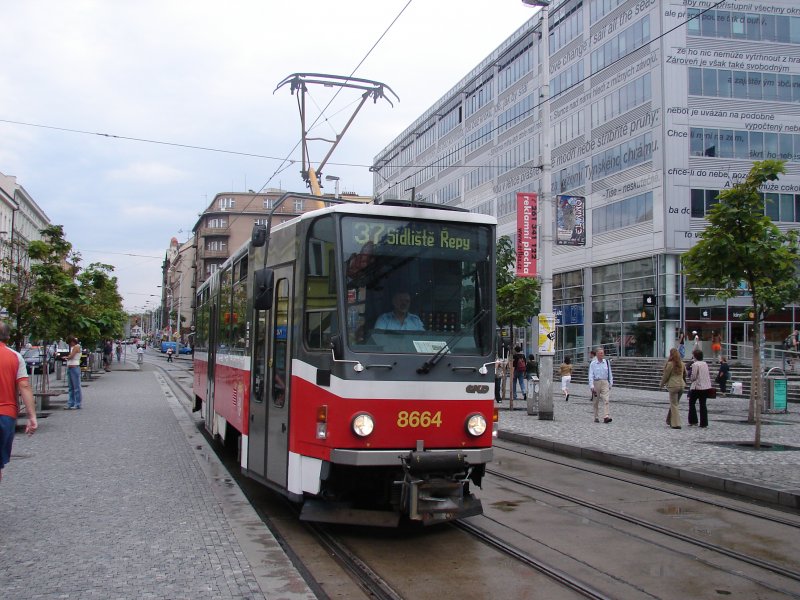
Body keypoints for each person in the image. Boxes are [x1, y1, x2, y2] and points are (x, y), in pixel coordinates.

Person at [0, 322, 37, 483]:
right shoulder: (15, 357)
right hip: (5, 415)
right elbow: (24, 386)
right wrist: (32, 416)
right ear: (8, 337)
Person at [660, 348, 685, 429]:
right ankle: (669, 420)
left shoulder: (670, 364)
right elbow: (686, 374)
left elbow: (666, 375)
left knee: (674, 404)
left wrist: (661, 384)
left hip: (673, 385)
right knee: (675, 404)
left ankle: (676, 423)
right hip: (681, 386)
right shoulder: (682, 363)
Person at [588, 347, 613, 423]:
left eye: (603, 353)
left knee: (606, 399)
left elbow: (610, 373)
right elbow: (590, 375)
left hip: (605, 382)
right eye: (600, 353)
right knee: (596, 401)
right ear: (597, 354)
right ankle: (596, 416)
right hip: (596, 382)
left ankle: (606, 416)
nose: (602, 354)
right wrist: (591, 386)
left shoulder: (607, 362)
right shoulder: (593, 363)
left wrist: (611, 382)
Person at [688, 349, 712, 428]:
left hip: (697, 387)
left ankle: (693, 420)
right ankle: (704, 422)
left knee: (692, 403)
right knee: (703, 404)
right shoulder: (705, 364)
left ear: (695, 356)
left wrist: (690, 379)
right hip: (705, 387)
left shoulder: (695, 364)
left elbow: (694, 376)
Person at [65, 335, 82, 410]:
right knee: (71, 387)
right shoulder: (74, 347)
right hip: (71, 367)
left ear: (72, 341)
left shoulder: (76, 347)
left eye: (69, 343)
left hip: (74, 367)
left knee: (76, 387)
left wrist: (66, 357)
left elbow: (71, 356)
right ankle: (71, 403)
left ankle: (77, 403)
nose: (69, 345)